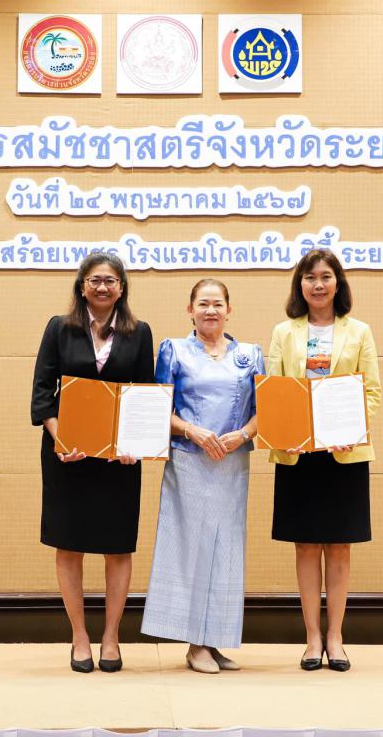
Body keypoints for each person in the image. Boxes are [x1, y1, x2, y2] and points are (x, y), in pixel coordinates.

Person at [31, 252, 154, 673]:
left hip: (120, 460)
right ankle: (79, 636)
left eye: (111, 281)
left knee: (117, 546)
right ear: (82, 286)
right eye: (95, 280)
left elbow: (145, 393)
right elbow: (42, 393)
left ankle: (112, 636)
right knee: (69, 544)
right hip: (68, 456)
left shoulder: (139, 332)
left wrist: (136, 444)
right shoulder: (59, 328)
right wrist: (61, 438)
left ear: (122, 288)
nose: (103, 287)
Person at [266, 249, 381, 672]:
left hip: (343, 453)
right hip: (298, 453)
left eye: (325, 276)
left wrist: (349, 431)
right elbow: (274, 390)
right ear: (300, 284)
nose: (317, 284)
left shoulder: (359, 331)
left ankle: (336, 637)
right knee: (306, 545)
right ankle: (312, 637)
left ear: (338, 283)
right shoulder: (284, 332)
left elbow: (371, 392)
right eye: (310, 277)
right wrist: (285, 433)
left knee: (339, 546)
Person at [140, 279, 264, 673]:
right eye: (203, 304)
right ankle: (195, 644)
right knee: (191, 548)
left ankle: (214, 640)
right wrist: (192, 430)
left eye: (217, 304)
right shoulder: (173, 350)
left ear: (229, 309)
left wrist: (242, 435)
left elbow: (266, 410)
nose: (211, 311)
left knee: (226, 550)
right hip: (189, 461)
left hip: (232, 463)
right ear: (190, 310)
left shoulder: (250, 354)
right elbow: (157, 406)